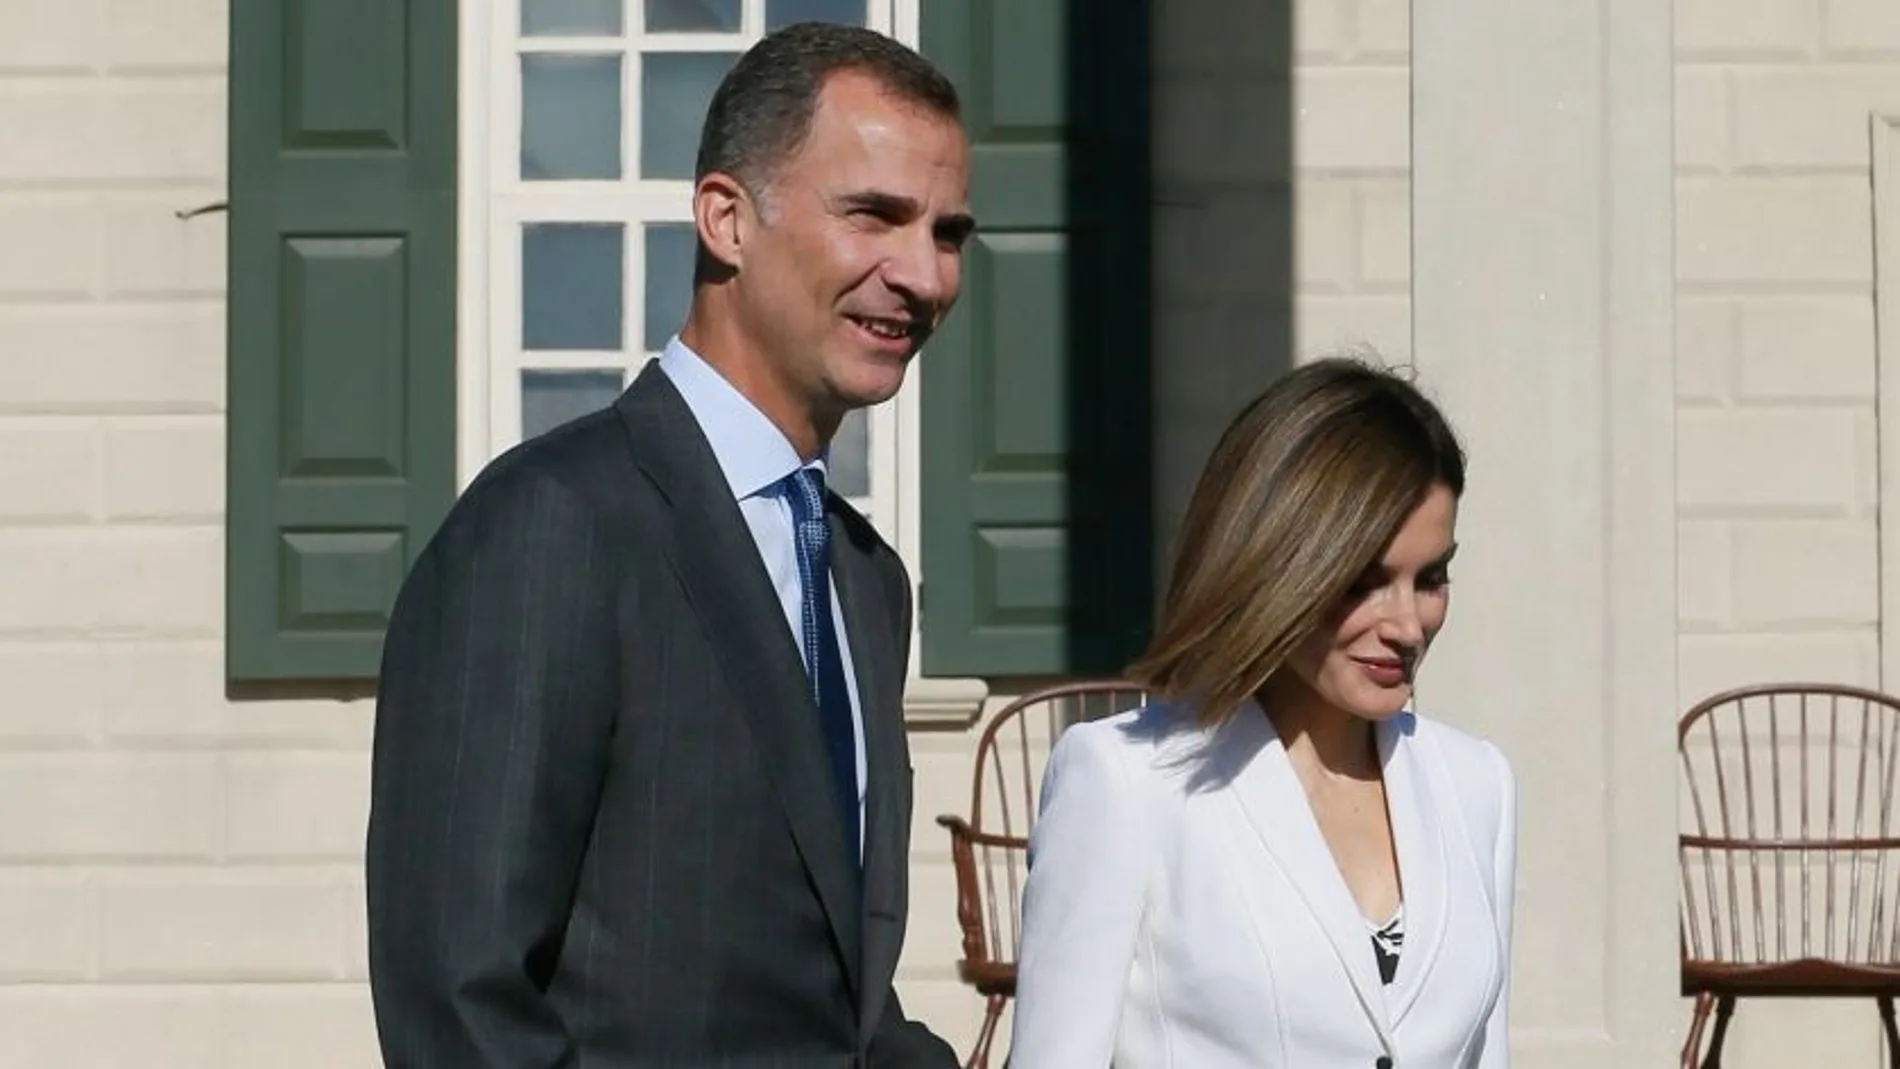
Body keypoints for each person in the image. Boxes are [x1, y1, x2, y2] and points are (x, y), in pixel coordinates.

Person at [364, 21, 972, 1068]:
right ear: (726, 220)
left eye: (949, 232)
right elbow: (459, 999)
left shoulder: (867, 584)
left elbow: (825, 1007)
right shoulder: (551, 527)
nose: (922, 274)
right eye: (874, 215)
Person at [1008, 357, 1517, 1069]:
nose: (1407, 623)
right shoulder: (1127, 780)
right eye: (1365, 581)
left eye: (1430, 578)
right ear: (1280, 564)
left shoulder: (1476, 783)